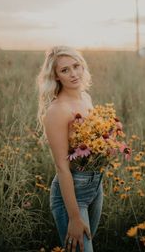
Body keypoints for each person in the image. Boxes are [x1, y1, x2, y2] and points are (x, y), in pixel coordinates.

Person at [36, 46, 103, 252]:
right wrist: (74, 217)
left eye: (76, 66)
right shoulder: (57, 111)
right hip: (71, 195)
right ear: (56, 76)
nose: (73, 73)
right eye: (65, 70)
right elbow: (62, 167)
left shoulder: (86, 98)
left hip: (96, 187)